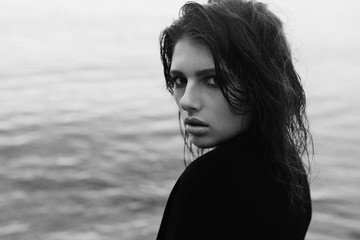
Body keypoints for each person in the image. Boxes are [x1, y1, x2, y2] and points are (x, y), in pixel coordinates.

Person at [157, 0, 313, 239]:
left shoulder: (209, 180)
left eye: (213, 80)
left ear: (260, 84)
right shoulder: (290, 171)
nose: (186, 101)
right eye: (180, 80)